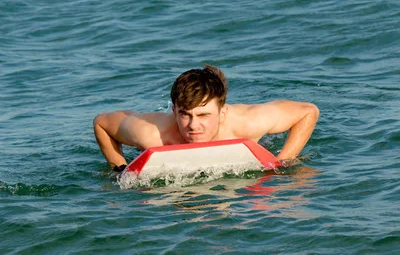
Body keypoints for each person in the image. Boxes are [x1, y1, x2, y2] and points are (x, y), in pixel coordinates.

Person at [93, 65, 319, 170]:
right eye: (185, 115)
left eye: (203, 115)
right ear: (174, 111)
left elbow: (308, 111)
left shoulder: (247, 123)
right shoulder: (152, 133)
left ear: (222, 113)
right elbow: (102, 122)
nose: (193, 125)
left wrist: (283, 162)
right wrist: (118, 168)